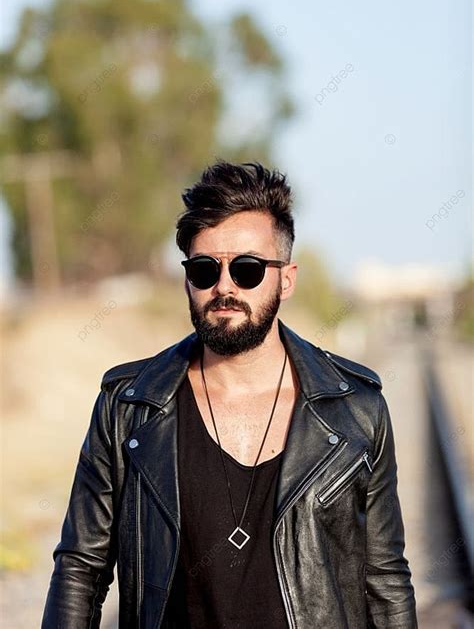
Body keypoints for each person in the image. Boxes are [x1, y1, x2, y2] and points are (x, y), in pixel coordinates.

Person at [42, 160, 417, 628]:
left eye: (247, 269)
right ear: (186, 280)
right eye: (204, 270)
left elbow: (384, 580)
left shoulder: (357, 411)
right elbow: (81, 569)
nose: (224, 287)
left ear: (287, 278)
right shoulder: (129, 408)